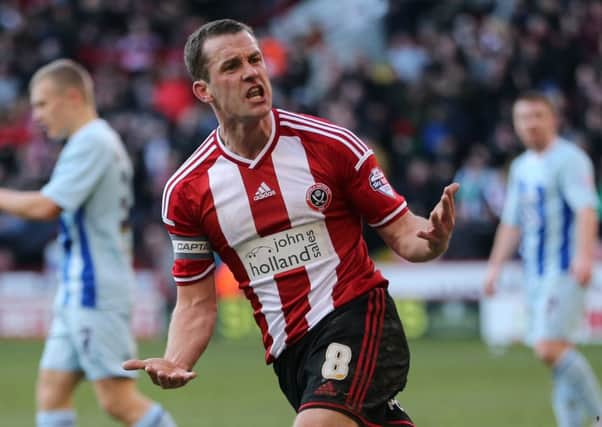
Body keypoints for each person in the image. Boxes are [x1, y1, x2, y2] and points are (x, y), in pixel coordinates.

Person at [123, 19, 458, 427]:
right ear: (203, 90)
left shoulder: (332, 145)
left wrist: (434, 240)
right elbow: (195, 302)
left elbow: (406, 234)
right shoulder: (187, 192)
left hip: (356, 314)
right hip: (290, 353)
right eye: (231, 66)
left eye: (255, 59)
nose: (250, 72)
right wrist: (176, 359)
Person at [0, 59, 176, 427]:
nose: (37, 116)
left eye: (43, 104)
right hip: (78, 288)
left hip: (96, 290)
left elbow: (47, 205)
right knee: (52, 389)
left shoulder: (92, 141)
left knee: (118, 400)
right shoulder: (92, 141)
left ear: (73, 96)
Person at [484, 91, 602, 427]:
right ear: (515, 124)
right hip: (533, 272)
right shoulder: (521, 167)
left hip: (563, 267)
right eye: (523, 117)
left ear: (553, 119)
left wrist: (582, 256)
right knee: (557, 353)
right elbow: (511, 223)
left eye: (537, 115)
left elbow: (585, 209)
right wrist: (494, 267)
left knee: (547, 347)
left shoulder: (570, 159)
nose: (530, 123)